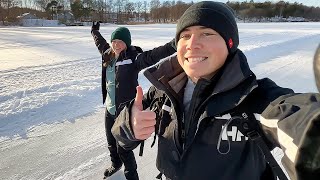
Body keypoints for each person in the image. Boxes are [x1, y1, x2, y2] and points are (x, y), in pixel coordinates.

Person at [111, 1, 320, 180]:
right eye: (185, 35)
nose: (193, 44)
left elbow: (297, 118)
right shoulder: (162, 92)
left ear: (230, 44)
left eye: (207, 34)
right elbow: (120, 133)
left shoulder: (255, 98)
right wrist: (129, 123)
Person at [91, 22, 176, 180]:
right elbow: (99, 42)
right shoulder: (108, 54)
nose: (116, 45)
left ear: (127, 43)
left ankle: (132, 176)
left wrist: (174, 44)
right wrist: (94, 30)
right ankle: (115, 164)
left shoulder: (133, 59)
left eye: (120, 42)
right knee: (111, 142)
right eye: (114, 41)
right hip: (110, 109)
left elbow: (154, 55)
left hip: (124, 112)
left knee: (123, 148)